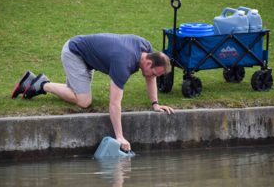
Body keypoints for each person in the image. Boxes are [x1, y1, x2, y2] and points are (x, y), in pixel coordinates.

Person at [11, 33, 174, 151]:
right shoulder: (123, 63)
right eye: (154, 73)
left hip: (86, 58)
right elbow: (114, 103)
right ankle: (41, 84)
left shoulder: (145, 48)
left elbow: (150, 78)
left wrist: (155, 104)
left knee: (74, 93)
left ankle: (30, 81)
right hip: (74, 53)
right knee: (84, 101)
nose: (154, 78)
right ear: (148, 63)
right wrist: (120, 136)